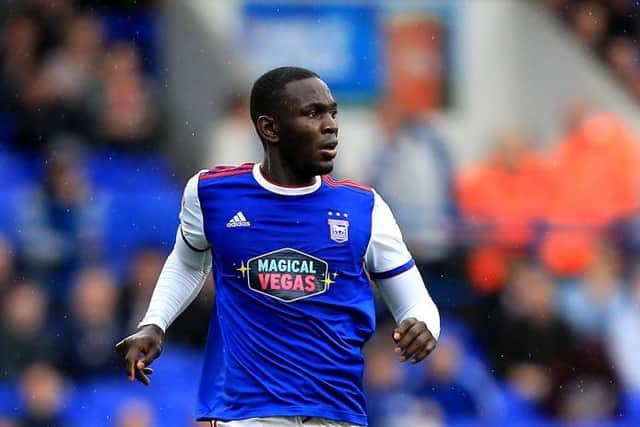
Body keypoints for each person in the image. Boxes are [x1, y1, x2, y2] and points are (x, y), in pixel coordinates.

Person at [115, 66, 440, 427]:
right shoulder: (212, 194)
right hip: (246, 411)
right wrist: (154, 324)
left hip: (336, 412)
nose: (331, 125)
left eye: (333, 113)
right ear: (269, 128)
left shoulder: (365, 208)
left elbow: (415, 301)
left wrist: (424, 325)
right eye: (313, 114)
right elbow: (189, 262)